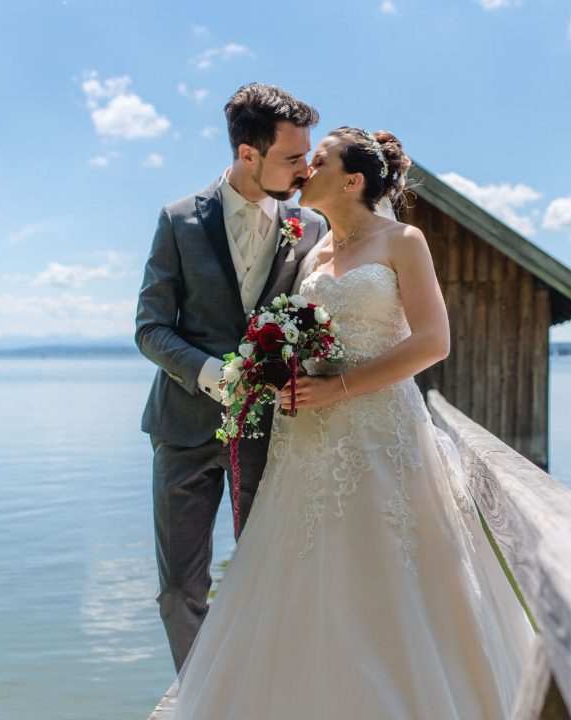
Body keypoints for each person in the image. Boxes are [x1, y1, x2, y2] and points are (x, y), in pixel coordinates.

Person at [169, 128, 535, 718]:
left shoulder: (403, 241)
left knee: (389, 572)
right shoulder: (313, 252)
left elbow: (434, 342)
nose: (303, 169)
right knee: (303, 572)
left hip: (379, 428)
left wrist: (337, 387)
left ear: (353, 179)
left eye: (318, 160)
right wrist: (278, 368)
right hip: (307, 435)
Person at [135, 83, 327, 673]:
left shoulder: (310, 227)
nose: (306, 168)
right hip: (184, 430)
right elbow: (150, 328)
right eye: (292, 158)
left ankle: (261, 693)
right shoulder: (177, 221)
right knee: (180, 591)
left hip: (272, 436)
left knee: (270, 576)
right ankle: (195, 698)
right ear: (249, 154)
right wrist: (212, 374)